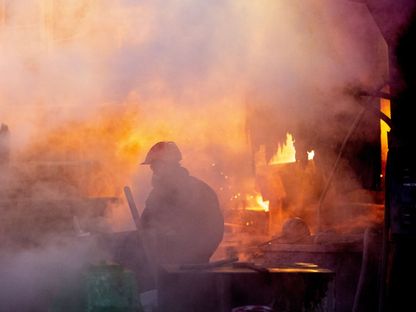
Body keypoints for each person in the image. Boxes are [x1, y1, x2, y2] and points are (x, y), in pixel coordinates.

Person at [140, 141, 224, 265]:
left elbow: (214, 230)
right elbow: (145, 225)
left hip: (193, 265)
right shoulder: (157, 194)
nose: (153, 171)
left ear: (166, 165)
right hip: (163, 265)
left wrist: (194, 256)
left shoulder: (200, 192)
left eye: (154, 166)